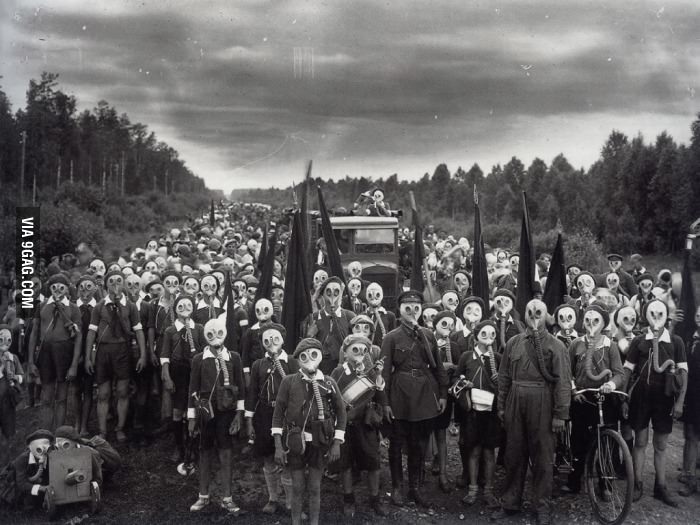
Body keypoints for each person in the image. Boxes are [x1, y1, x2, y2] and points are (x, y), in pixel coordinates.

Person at [494, 299, 571, 525]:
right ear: (524, 314)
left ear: (546, 316)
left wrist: (560, 414)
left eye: (539, 312)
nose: (534, 315)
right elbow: (504, 377)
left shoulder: (556, 346)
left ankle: (542, 507)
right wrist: (501, 405)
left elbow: (563, 382)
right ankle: (510, 503)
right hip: (516, 401)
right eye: (530, 311)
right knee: (514, 454)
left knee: (543, 457)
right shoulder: (513, 343)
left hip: (543, 402)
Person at [381, 290, 448, 508]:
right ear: (399, 311)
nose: (412, 312)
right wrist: (385, 403)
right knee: (397, 444)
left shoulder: (428, 335)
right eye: (407, 308)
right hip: (400, 395)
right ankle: (397, 487)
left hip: (424, 394)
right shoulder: (391, 338)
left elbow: (438, 367)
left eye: (416, 308)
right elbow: (384, 374)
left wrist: (443, 394)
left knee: (418, 444)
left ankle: (415, 488)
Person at [271, 338, 347, 525]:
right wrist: (278, 446)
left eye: (314, 354)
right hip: (296, 442)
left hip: (319, 443)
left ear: (320, 356)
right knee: (297, 487)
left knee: (315, 487)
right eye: (304, 356)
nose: (309, 359)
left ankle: (314, 522)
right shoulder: (289, 382)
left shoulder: (328, 383)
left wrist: (337, 443)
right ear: (298, 360)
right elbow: (278, 413)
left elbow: (341, 412)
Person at [624, 299, 687, 507]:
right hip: (641, 397)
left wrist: (680, 403)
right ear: (646, 316)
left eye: (661, 314)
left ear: (666, 316)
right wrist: (624, 397)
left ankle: (661, 487)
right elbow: (627, 371)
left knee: (661, 444)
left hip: (665, 398)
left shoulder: (676, 342)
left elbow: (683, 373)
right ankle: (638, 483)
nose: (657, 319)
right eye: (653, 314)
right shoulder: (639, 341)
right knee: (640, 442)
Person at [187, 316, 246, 514]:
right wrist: (192, 418)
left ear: (226, 334)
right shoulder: (198, 359)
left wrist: (239, 414)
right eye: (211, 334)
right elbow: (192, 388)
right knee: (204, 452)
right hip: (206, 414)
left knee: (226, 452)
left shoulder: (234, 357)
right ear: (205, 336)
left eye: (220, 333)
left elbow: (241, 388)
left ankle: (227, 498)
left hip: (226, 413)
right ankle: (203, 496)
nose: (215, 337)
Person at [563, 305, 625, 494]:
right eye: (588, 320)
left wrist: (611, 385)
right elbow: (567, 371)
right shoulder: (576, 344)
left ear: (604, 323)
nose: (591, 324)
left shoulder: (610, 345)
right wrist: (574, 391)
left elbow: (619, 374)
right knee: (579, 440)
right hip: (583, 397)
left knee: (606, 442)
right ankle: (574, 480)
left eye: (596, 321)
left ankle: (605, 484)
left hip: (605, 398)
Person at [85, 271, 147, 442]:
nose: (115, 284)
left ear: (124, 283)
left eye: (119, 280)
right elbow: (91, 333)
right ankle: (103, 431)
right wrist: (89, 357)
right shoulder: (99, 306)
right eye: (111, 281)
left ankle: (120, 427)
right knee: (103, 393)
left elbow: (139, 330)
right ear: (105, 285)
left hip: (123, 351)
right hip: (104, 352)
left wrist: (142, 355)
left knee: (122, 391)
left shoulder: (130, 306)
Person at [331, 335, 389, 517]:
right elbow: (332, 400)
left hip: (366, 426)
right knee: (346, 464)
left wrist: (378, 375)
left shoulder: (371, 372)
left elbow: (380, 396)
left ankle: (375, 499)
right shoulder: (338, 372)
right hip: (346, 425)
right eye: (355, 350)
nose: (360, 354)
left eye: (364, 350)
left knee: (373, 463)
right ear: (345, 351)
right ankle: (348, 499)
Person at [245, 323, 298, 514]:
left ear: (283, 339)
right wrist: (249, 420)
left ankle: (292, 503)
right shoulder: (258, 364)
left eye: (275, 338)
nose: (271, 343)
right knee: (268, 457)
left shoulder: (292, 361)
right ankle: (273, 498)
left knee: (288, 459)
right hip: (265, 415)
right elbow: (252, 394)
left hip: (286, 416)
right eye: (266, 340)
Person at [27, 274, 82, 429]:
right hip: (45, 353)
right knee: (46, 397)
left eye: (61, 287)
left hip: (64, 353)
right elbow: (34, 333)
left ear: (67, 289)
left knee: (62, 397)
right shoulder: (42, 306)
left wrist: (74, 365)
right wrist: (31, 361)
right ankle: (45, 434)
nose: (58, 290)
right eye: (54, 287)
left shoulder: (73, 308)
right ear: (49, 288)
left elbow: (78, 337)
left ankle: (58, 434)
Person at [457, 320, 502, 507]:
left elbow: (504, 383)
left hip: (490, 411)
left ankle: (489, 490)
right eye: (484, 334)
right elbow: (455, 379)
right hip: (472, 410)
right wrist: (463, 383)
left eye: (492, 335)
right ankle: (473, 488)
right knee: (473, 450)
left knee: (489, 452)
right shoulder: (467, 357)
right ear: (476, 337)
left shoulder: (498, 358)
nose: (488, 338)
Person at [160, 295, 206, 462]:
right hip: (177, 373)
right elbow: (165, 355)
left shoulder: (199, 328)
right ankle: (179, 447)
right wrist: (167, 376)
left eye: (188, 305)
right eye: (181, 305)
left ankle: (192, 445)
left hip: (194, 373)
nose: (185, 308)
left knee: (193, 410)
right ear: (175, 308)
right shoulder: (170, 330)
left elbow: (204, 350)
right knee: (178, 410)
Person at [304, 277, 355, 375]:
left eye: (336, 291)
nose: (332, 295)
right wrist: (309, 336)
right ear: (322, 294)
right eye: (328, 291)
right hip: (320, 369)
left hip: (343, 369)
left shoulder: (349, 316)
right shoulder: (314, 317)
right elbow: (306, 346)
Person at [680, 305, 700, 496]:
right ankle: (689, 476)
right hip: (692, 395)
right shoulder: (690, 338)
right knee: (690, 436)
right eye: (698, 314)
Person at [11, 429, 54, 509]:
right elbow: (21, 484)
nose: (43, 452)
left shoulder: (50, 457)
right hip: (19, 489)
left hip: (38, 485)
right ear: (31, 447)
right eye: (39, 449)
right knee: (29, 505)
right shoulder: (22, 460)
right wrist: (42, 488)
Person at [0, 324, 23, 466]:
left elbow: (21, 376)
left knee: (9, 431)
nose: (5, 343)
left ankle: (7, 464)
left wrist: (15, 377)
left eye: (8, 340)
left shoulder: (13, 357)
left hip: (8, 400)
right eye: (1, 339)